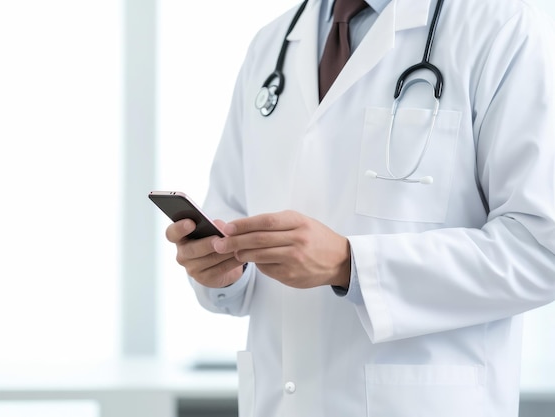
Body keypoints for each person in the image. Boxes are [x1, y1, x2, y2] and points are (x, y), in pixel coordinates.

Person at [164, 0, 555, 416]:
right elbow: (232, 220)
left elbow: (540, 249)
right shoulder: (272, 44)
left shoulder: (502, 27)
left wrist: (352, 265)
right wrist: (222, 271)